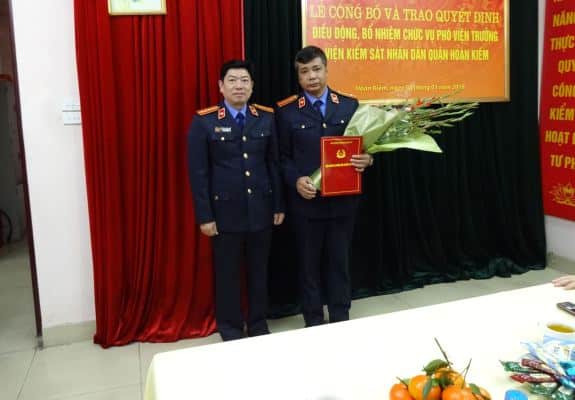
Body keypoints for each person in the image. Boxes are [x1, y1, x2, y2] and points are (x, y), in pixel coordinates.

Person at [275, 46, 373, 327]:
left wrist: (368, 159)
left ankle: (341, 315)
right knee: (309, 265)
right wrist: (295, 179)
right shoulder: (286, 111)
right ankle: (314, 320)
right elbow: (282, 157)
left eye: (316, 69)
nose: (312, 76)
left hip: (342, 201)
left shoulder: (349, 105)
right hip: (306, 202)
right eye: (304, 72)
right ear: (298, 77)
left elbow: (365, 147)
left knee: (339, 261)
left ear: (327, 70)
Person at [188, 60, 285, 341]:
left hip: (261, 210)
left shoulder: (266, 117)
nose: (239, 86)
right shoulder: (204, 121)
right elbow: (198, 173)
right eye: (232, 80)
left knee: (259, 272)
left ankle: (258, 324)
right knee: (227, 274)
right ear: (221, 86)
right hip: (224, 213)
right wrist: (205, 216)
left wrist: (278, 205)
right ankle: (230, 328)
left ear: (252, 86)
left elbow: (274, 164)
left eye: (244, 80)